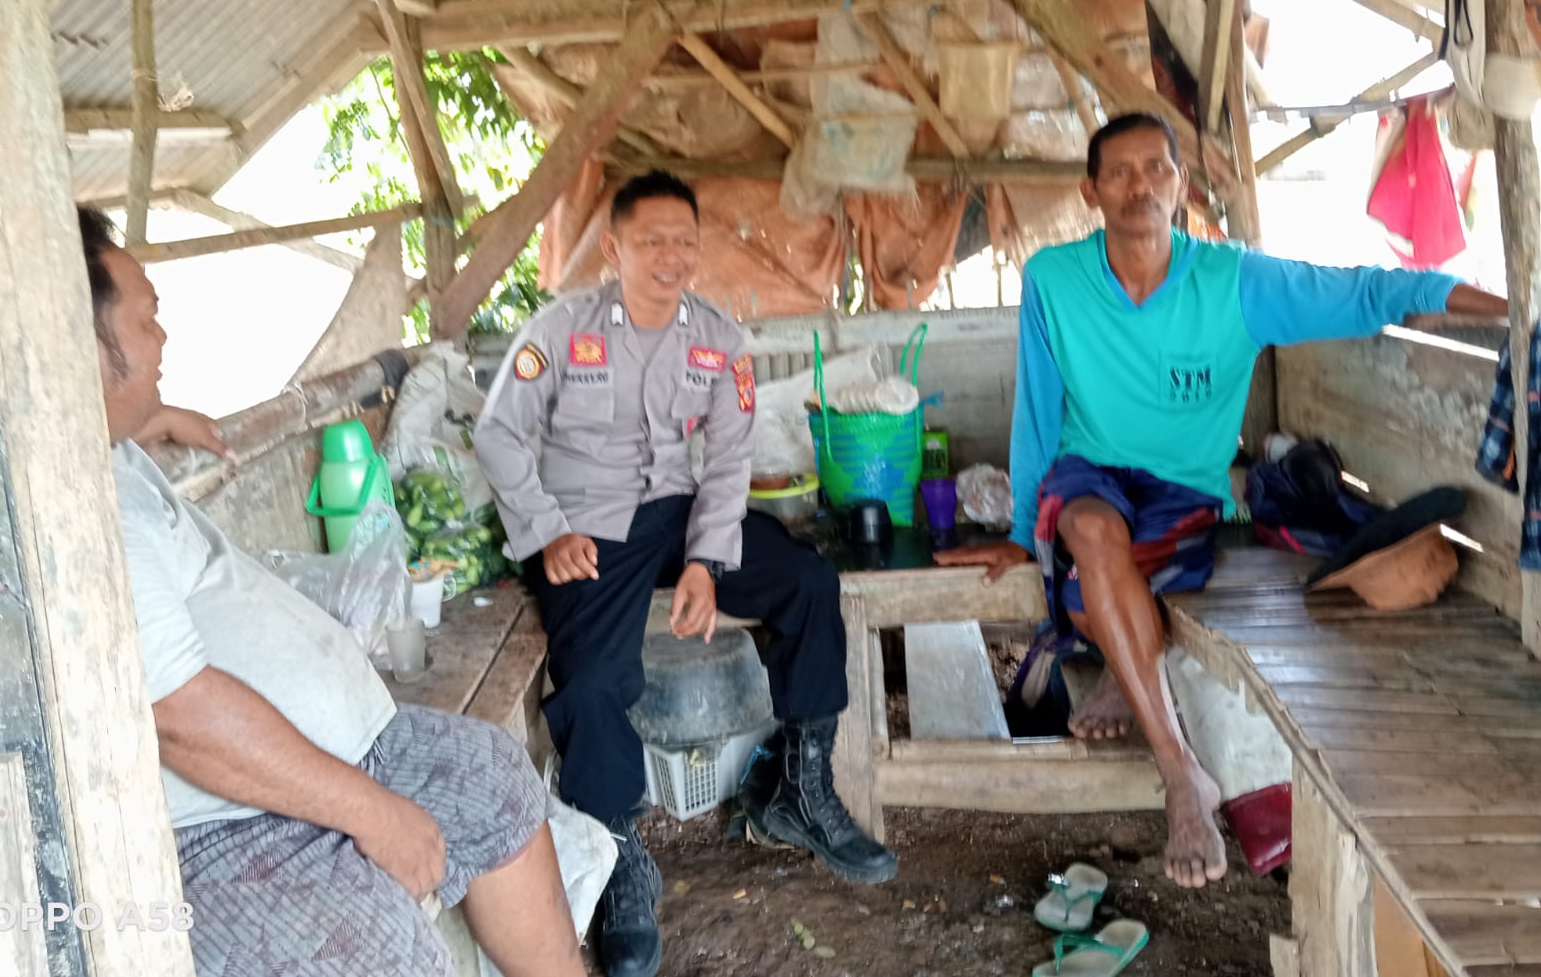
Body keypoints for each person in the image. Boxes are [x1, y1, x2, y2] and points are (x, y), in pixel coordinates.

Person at [938, 113, 1506, 889]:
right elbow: (1037, 408)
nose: (1140, 185)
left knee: (1090, 590)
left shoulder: (1236, 281)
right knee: (1089, 531)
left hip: (1183, 491)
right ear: (1091, 191)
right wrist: (1017, 528)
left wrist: (1510, 310)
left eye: (1157, 169)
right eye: (1120, 172)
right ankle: (1182, 776)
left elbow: (1372, 291)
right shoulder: (1054, 279)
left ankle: (1121, 667)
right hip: (1086, 471)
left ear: (1181, 184)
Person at [77, 207, 585, 977]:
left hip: (337, 752)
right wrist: (373, 812)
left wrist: (152, 417)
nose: (163, 337)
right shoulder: (85, 509)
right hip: (227, 821)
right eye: (146, 319)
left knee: (492, 781)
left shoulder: (104, 446)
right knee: (378, 955)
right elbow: (179, 717)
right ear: (82, 346)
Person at [474, 170, 897, 977]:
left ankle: (800, 789)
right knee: (591, 677)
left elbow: (729, 458)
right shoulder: (559, 329)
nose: (671, 256)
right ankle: (617, 856)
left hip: (680, 511)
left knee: (807, 581)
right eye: (652, 241)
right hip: (586, 524)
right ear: (614, 248)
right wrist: (547, 531)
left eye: (684, 241)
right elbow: (497, 435)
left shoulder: (717, 339)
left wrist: (706, 560)